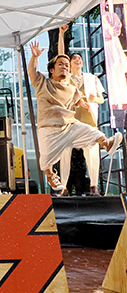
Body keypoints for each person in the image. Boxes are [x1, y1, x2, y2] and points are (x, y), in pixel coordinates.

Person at [27, 40, 122, 194]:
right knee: (45, 163)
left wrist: (86, 105)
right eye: (61, 64)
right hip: (49, 130)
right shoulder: (42, 83)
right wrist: (35, 57)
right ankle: (51, 176)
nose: (65, 66)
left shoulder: (72, 89)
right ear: (51, 69)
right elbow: (31, 71)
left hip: (69, 126)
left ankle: (107, 144)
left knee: (94, 132)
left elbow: (80, 102)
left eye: (66, 65)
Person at [58, 25, 106, 196]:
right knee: (64, 152)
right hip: (70, 122)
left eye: (80, 58)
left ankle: (94, 186)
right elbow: (60, 56)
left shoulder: (92, 78)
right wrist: (62, 34)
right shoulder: (65, 79)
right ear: (69, 64)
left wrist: (94, 99)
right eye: (74, 59)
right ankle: (63, 187)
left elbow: (101, 99)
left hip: (88, 120)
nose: (78, 60)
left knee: (92, 151)